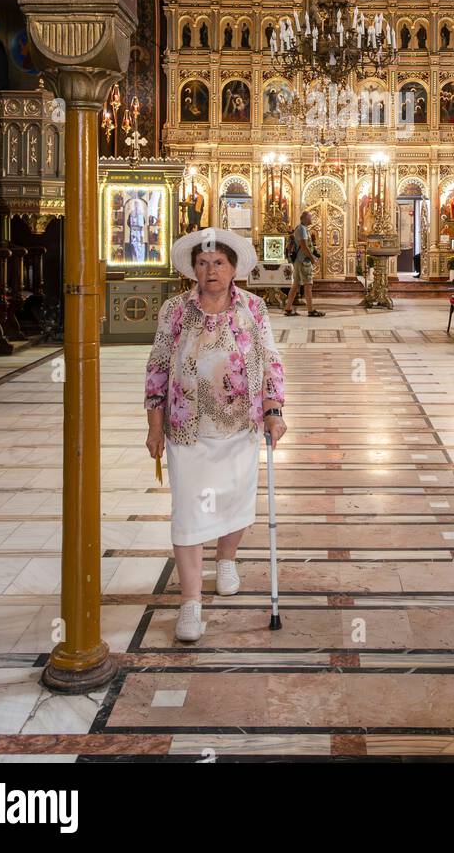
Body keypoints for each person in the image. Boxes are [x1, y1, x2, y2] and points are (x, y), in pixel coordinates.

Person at [144, 227, 287, 643]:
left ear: (233, 268)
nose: (211, 271)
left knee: (234, 500)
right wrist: (154, 424)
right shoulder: (174, 310)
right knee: (188, 510)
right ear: (193, 269)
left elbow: (271, 361)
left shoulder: (255, 309)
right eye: (203, 263)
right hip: (187, 428)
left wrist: (274, 411)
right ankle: (191, 603)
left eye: (219, 263)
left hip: (240, 425)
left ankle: (226, 559)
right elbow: (156, 367)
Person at [284, 210, 324, 317]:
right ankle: (311, 310)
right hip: (303, 261)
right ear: (305, 218)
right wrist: (312, 258)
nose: (311, 219)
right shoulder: (302, 229)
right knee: (308, 284)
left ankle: (288, 308)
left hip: (298, 261)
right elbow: (304, 246)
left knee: (295, 284)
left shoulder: (301, 228)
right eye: (310, 217)